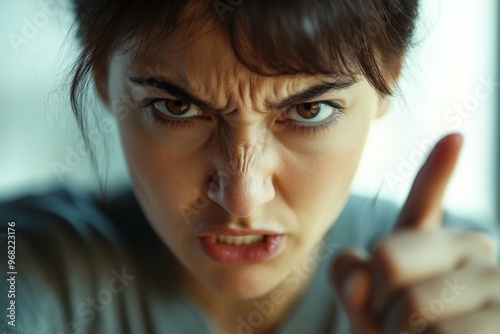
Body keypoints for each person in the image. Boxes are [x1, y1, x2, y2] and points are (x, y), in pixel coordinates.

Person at [1, 0, 499, 333]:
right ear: (102, 77)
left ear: (388, 79)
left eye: (309, 110)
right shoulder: (23, 266)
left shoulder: (471, 293)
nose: (242, 197)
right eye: (176, 108)